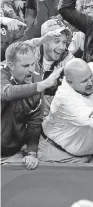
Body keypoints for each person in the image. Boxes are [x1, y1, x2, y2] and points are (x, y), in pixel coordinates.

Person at [1, 42, 63, 170]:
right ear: (11, 65)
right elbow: (7, 93)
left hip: (13, 151)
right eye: (25, 65)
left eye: (33, 64)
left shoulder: (36, 79)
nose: (31, 70)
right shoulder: (1, 73)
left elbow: (35, 121)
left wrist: (31, 153)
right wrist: (42, 85)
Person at [26, 19, 74, 116]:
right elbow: (13, 51)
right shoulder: (31, 52)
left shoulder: (69, 61)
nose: (62, 47)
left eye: (64, 42)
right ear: (44, 40)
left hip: (49, 118)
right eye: (56, 41)